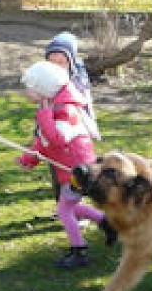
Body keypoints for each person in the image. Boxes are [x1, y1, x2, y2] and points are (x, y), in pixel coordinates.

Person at [18, 61, 116, 269]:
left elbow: (56, 140)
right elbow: (44, 143)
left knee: (64, 210)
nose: (26, 92)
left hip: (78, 171)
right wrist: (29, 160)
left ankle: (79, 251)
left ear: (44, 90)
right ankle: (107, 223)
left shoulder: (65, 112)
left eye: (31, 88)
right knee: (71, 206)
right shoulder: (51, 109)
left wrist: (44, 116)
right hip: (70, 171)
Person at [43, 32, 98, 206]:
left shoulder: (76, 79)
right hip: (53, 132)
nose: (57, 66)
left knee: (75, 173)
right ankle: (62, 205)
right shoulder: (45, 78)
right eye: (52, 62)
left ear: (70, 61)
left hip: (73, 135)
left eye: (61, 62)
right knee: (57, 171)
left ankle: (78, 208)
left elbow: (81, 104)